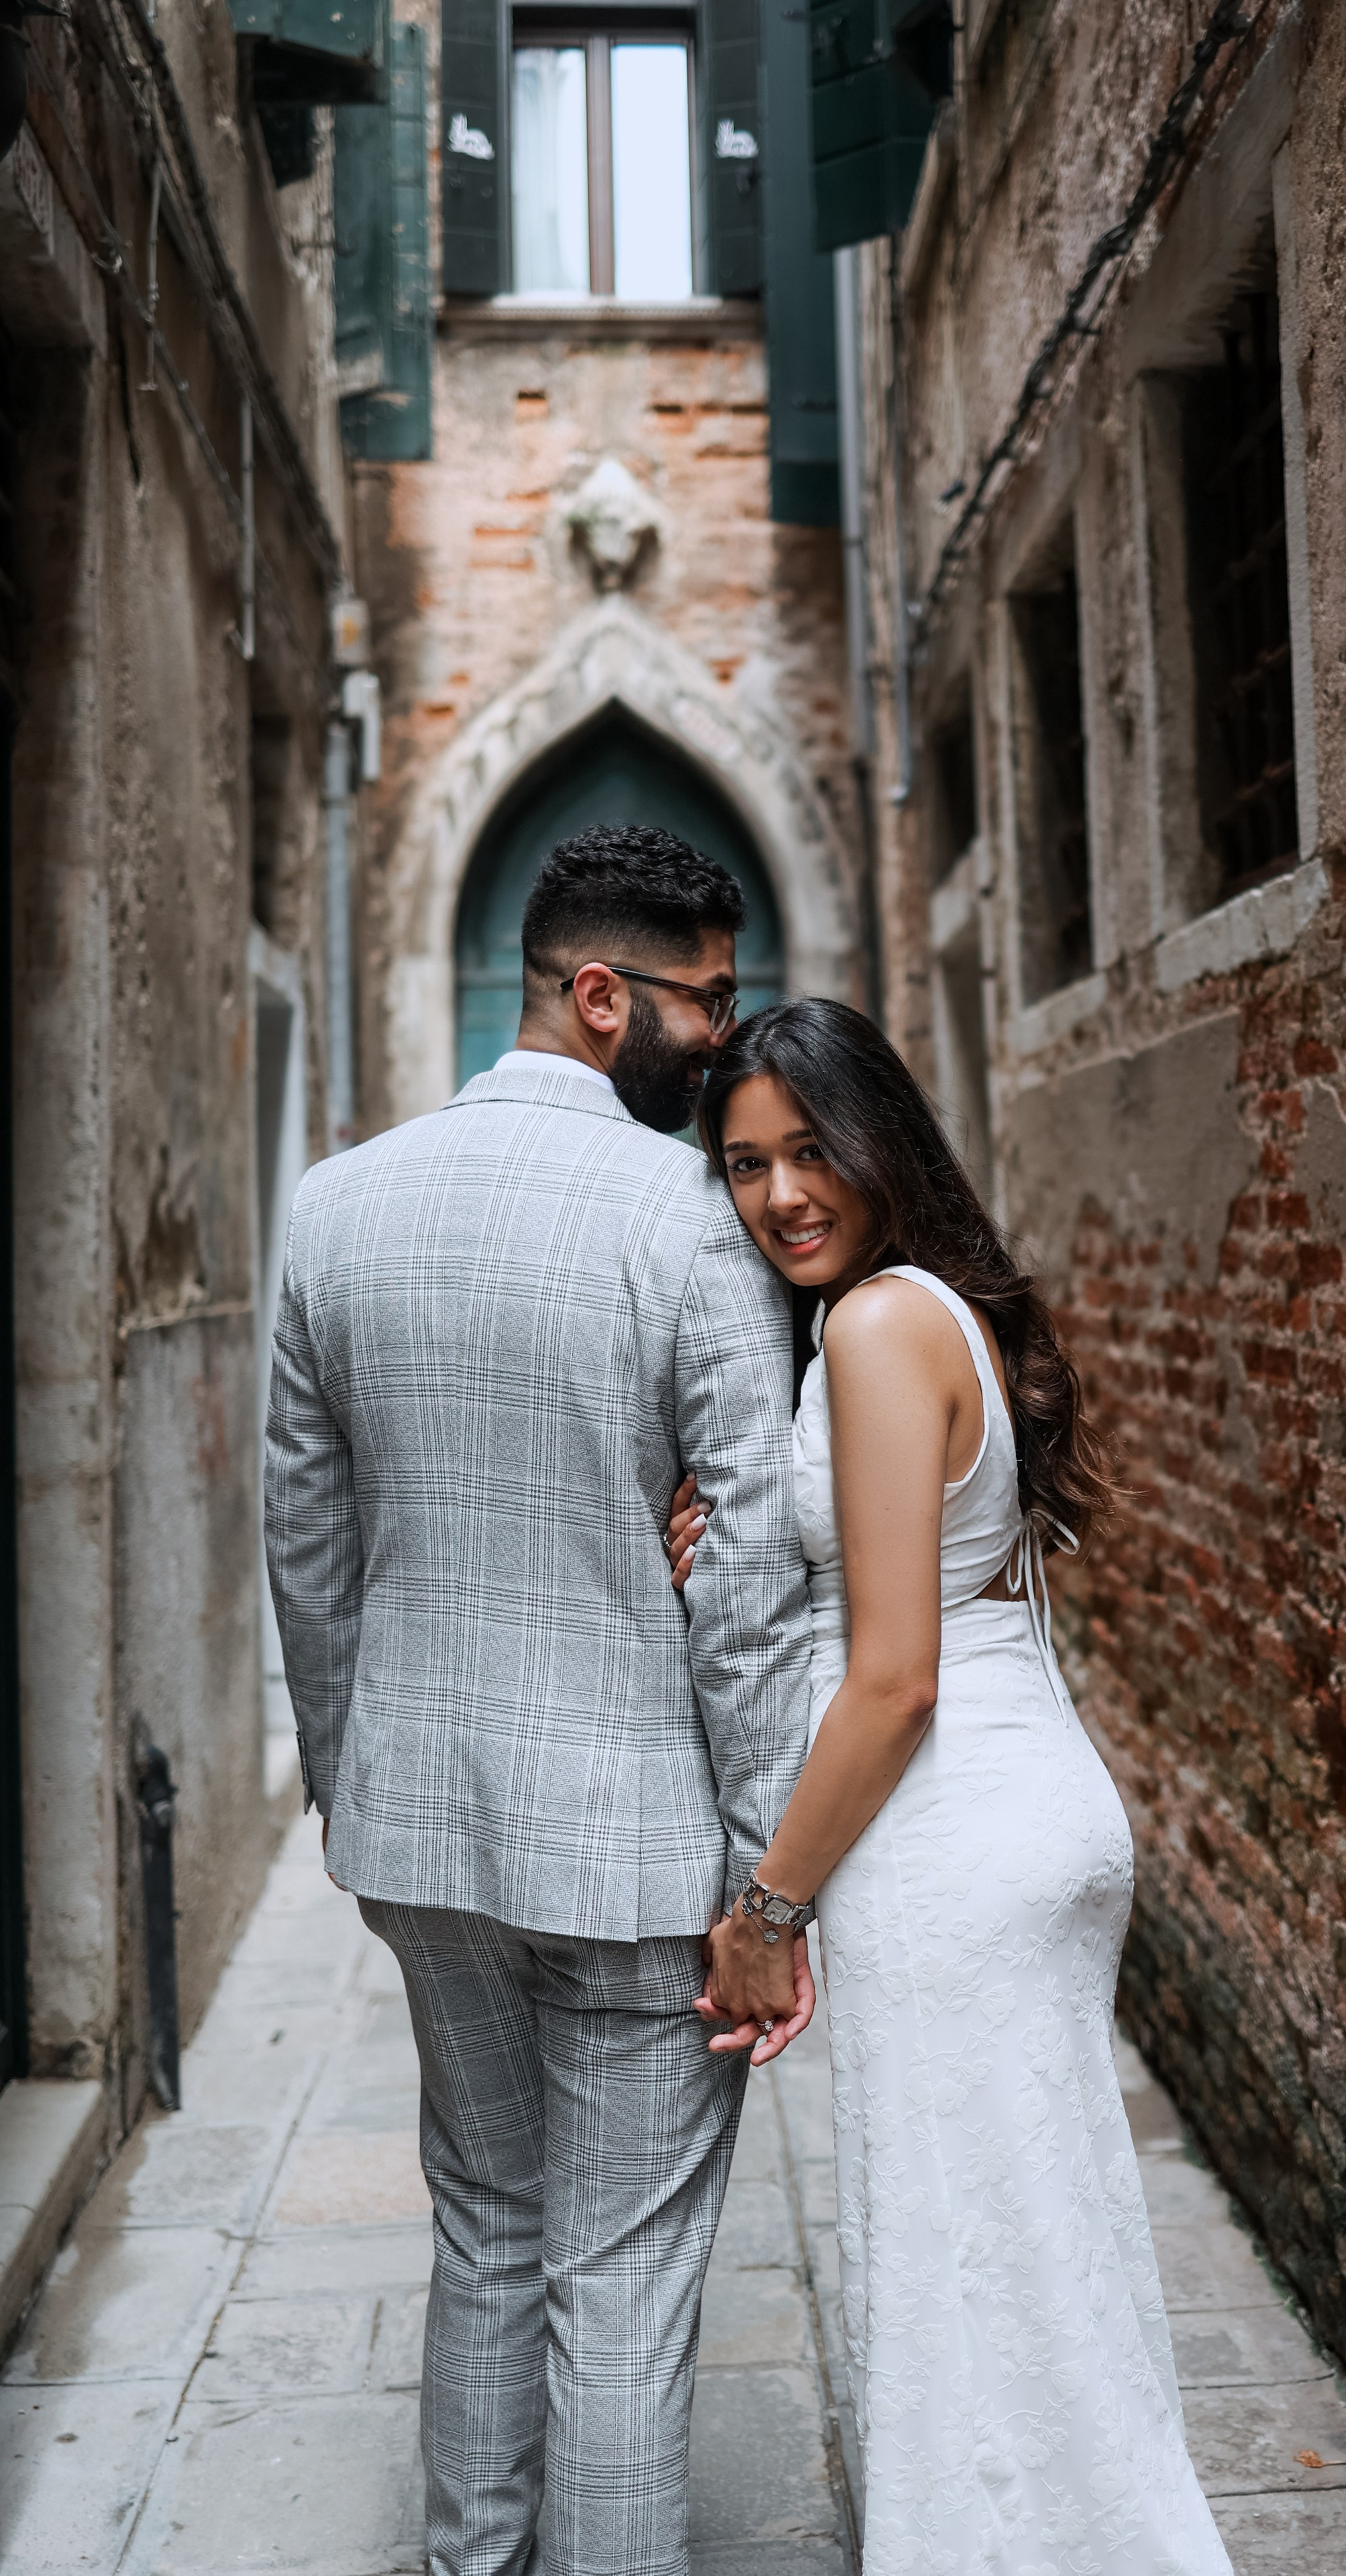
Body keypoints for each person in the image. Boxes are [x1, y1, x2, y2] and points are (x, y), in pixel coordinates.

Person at [264, 824, 813, 2576]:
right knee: (625, 2282)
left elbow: (307, 1538)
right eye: (705, 1005)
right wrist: (765, 1879)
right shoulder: (695, 1226)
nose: (722, 1040)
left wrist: (358, 1785)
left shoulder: (333, 1209)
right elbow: (734, 1588)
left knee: (491, 2238)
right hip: (646, 1853)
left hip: (423, 1829)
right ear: (600, 996)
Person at [672, 997, 1235, 2576]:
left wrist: (763, 1910)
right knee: (1040, 2256)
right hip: (1028, 1798)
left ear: (878, 1144)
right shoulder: (933, 1308)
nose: (778, 1195)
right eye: (741, 1166)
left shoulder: (868, 1326)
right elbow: (909, 1572)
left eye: (806, 1153)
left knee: (957, 2273)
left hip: (949, 1838)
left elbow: (892, 1676)